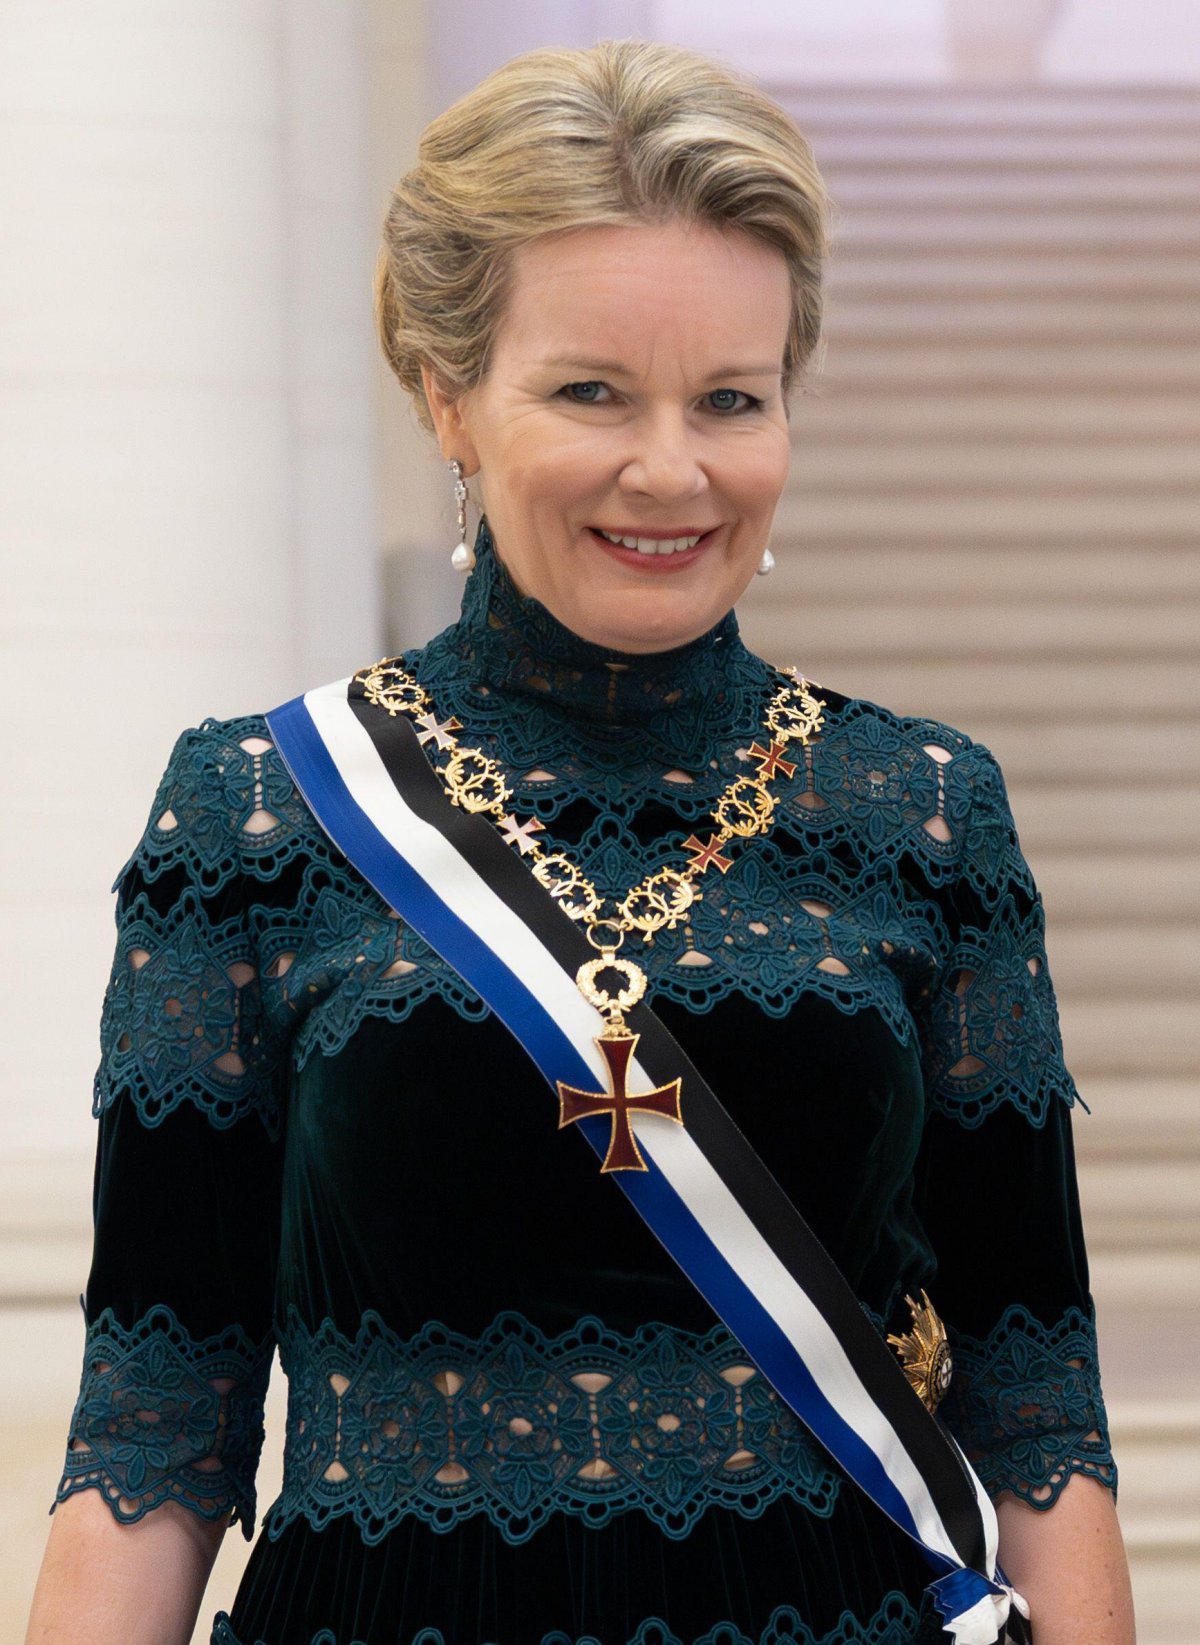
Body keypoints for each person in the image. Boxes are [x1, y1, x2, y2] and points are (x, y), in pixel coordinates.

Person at [26, 38, 1135, 1645]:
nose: (673, 470)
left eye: (732, 399)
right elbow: (154, 1425)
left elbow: (1031, 1392)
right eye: (592, 390)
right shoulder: (253, 810)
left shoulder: (927, 809)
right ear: (447, 394)